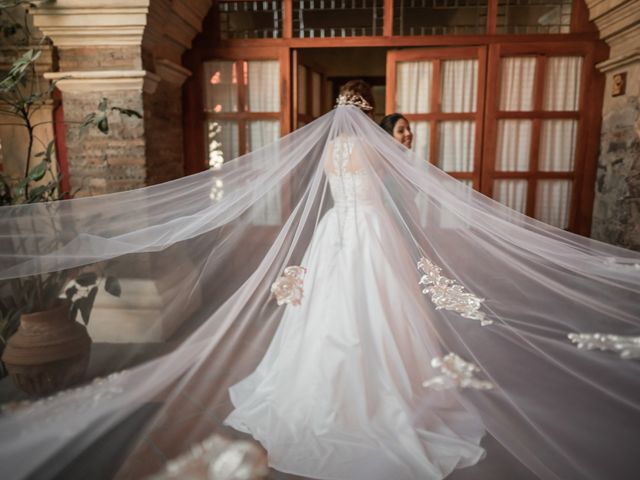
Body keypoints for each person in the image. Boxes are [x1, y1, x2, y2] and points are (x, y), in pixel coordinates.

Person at [0, 80, 638, 480]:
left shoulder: (332, 152)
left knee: (335, 317)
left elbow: (334, 197)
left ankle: (326, 394)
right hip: (369, 237)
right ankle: (389, 396)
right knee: (382, 316)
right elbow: (394, 199)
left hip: (337, 234)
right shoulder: (376, 151)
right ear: (366, 122)